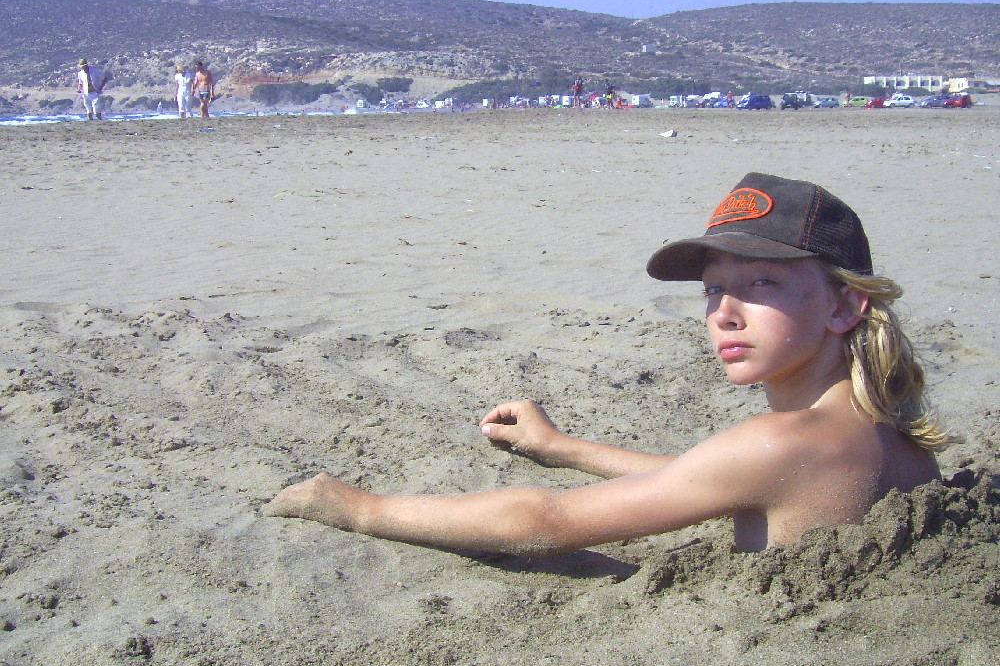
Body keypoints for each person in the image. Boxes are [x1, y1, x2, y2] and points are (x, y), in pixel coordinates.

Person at [263, 173, 952, 554]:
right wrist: (562, 448)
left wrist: (357, 507)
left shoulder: (776, 443)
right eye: (715, 287)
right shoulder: (884, 434)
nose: (724, 312)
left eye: (762, 284)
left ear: (843, 306)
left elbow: (542, 523)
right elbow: (707, 480)